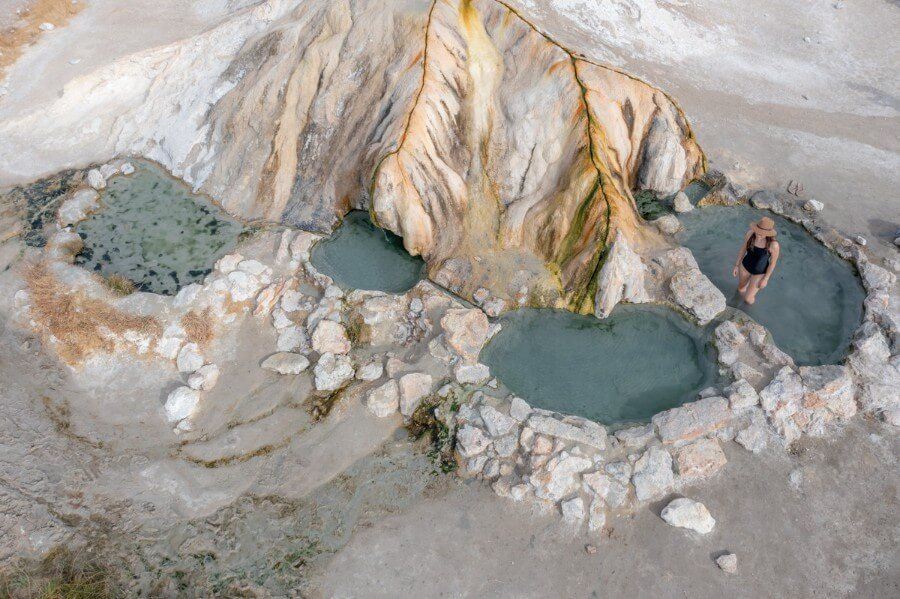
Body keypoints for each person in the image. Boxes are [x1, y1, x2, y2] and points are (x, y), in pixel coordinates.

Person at [732, 216, 780, 304]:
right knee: (741, 289)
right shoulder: (750, 234)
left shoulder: (773, 245)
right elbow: (743, 249)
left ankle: (747, 312)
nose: (758, 235)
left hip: (760, 273)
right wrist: (736, 265)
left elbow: (773, 263)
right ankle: (735, 306)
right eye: (758, 232)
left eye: (762, 233)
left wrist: (765, 279)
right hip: (745, 267)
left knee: (748, 299)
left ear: (768, 234)